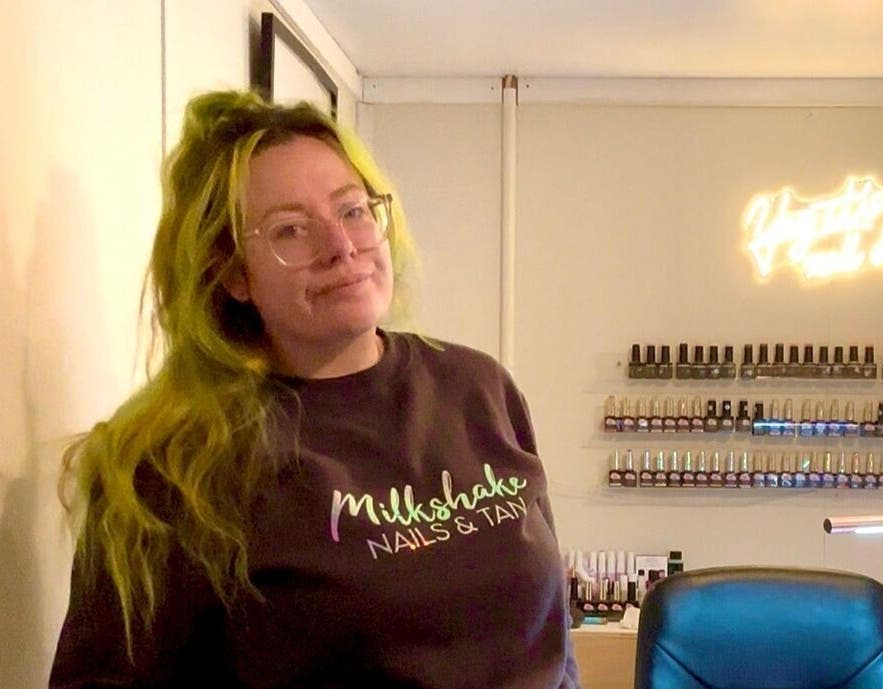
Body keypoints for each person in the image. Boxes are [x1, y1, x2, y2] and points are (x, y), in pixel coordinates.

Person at [50, 90, 580, 688]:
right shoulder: (171, 468)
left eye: (352, 210)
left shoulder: (479, 387)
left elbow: (552, 637)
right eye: (292, 230)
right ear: (232, 274)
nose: (341, 246)